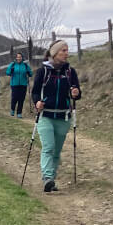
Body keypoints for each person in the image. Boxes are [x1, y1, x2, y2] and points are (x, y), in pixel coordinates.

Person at [31, 40, 81, 192]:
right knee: (49, 147)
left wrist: (76, 93)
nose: (66, 53)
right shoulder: (43, 71)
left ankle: (51, 179)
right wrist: (37, 102)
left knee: (57, 151)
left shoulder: (70, 72)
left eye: (67, 50)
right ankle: (47, 178)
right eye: (63, 50)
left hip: (63, 117)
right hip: (45, 115)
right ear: (54, 53)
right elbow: (34, 91)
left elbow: (77, 93)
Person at [6, 52, 32, 117]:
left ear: (22, 58)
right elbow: (7, 73)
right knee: (14, 98)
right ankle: (12, 110)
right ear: (16, 58)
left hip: (23, 84)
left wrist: (29, 72)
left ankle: (19, 113)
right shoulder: (13, 64)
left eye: (20, 57)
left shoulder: (25, 65)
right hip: (14, 84)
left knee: (21, 99)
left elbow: (31, 74)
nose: (19, 58)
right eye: (18, 57)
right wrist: (11, 71)